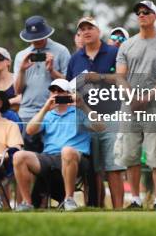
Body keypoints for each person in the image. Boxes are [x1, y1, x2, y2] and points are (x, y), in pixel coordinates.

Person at [114, 1, 156, 209]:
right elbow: (120, 77)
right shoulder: (126, 45)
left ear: (155, 16)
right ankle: (135, 199)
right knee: (130, 154)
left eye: (146, 12)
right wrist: (132, 97)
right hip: (130, 106)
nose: (141, 15)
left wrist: (147, 97)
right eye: (138, 12)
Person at [14, 79, 97, 211]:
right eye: (53, 91)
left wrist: (83, 106)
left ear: (69, 94)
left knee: (67, 150)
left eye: (60, 91)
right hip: (49, 157)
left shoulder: (79, 111)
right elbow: (30, 130)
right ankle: (27, 203)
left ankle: (69, 200)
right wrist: (45, 108)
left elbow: (99, 127)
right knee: (19, 156)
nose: (56, 93)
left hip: (76, 158)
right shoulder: (47, 114)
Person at [66, 16, 123, 209]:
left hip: (112, 116)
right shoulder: (75, 59)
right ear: (79, 34)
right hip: (84, 119)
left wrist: (98, 77)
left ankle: (118, 210)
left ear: (99, 31)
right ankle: (96, 208)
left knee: (114, 168)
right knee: (94, 169)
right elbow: (69, 87)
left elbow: (122, 78)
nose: (86, 31)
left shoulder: (114, 52)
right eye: (82, 29)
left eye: (90, 27)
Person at [14, 16, 70, 152]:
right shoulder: (21, 55)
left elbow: (69, 85)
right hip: (27, 113)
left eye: (40, 36)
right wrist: (22, 69)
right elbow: (17, 90)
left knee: (53, 154)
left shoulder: (61, 51)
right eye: (33, 37)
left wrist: (52, 70)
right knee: (28, 158)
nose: (37, 40)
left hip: (54, 111)